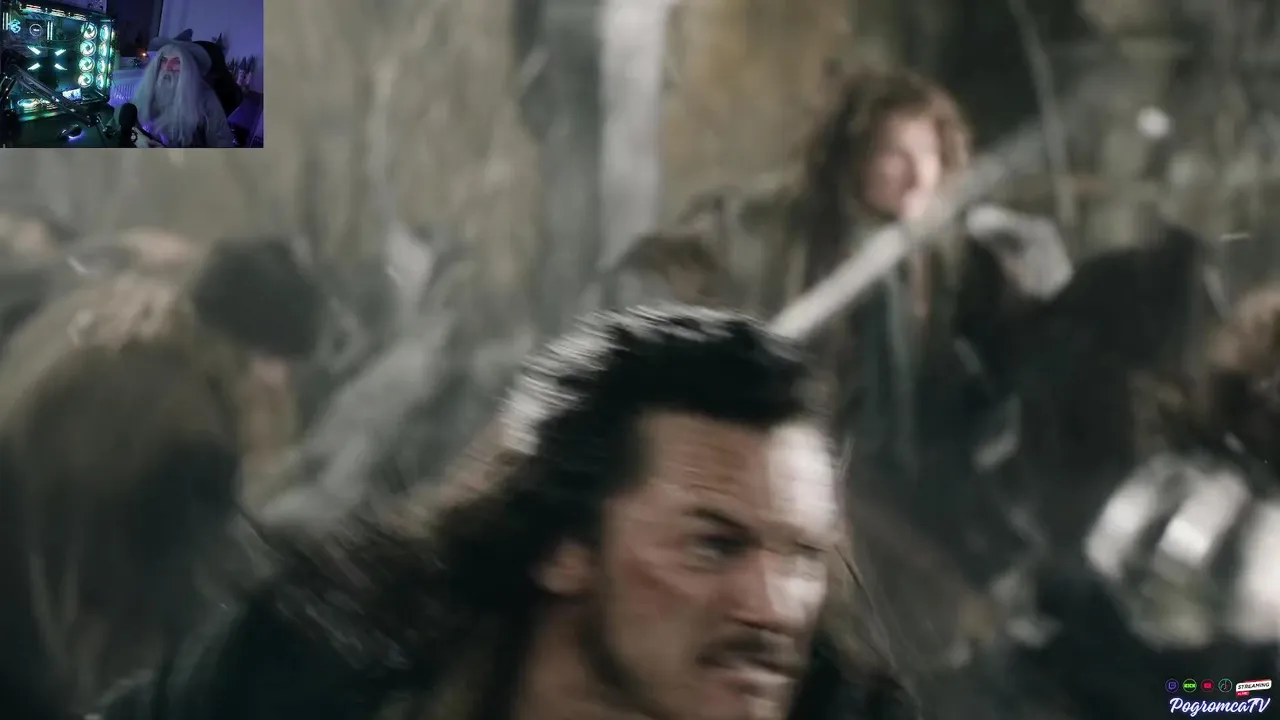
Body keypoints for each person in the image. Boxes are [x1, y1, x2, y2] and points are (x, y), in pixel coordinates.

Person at [91, 305, 914, 720]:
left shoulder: (845, 711)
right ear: (564, 545)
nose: (774, 608)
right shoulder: (323, 664)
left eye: (802, 555)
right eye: (713, 546)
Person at [126, 40, 234, 148]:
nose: (168, 67)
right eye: (164, 60)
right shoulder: (148, 89)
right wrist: (137, 138)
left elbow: (222, 147)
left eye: (177, 61)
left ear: (188, 68)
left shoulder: (206, 99)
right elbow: (126, 122)